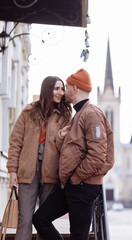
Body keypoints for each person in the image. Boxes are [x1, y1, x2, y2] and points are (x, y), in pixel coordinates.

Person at [33, 69, 114, 240]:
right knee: (40, 219)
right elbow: (77, 150)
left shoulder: (91, 113)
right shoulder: (80, 114)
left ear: (75, 89)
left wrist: (77, 177)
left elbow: (98, 155)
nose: (64, 92)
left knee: (78, 236)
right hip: (73, 184)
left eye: (67, 87)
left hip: (83, 185)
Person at [7, 76, 72, 240]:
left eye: (62, 89)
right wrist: (12, 171)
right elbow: (15, 142)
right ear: (47, 89)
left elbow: (68, 147)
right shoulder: (29, 111)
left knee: (43, 219)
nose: (61, 92)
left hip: (51, 171)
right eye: (57, 88)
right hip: (27, 170)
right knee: (25, 219)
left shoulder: (65, 115)